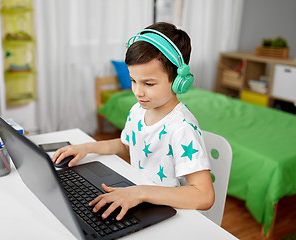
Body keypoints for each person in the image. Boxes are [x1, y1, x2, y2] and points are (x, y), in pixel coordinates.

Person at [52, 22, 214, 221]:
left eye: (149, 83)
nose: (138, 92)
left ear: (180, 81)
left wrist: (139, 192)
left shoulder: (181, 127)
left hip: (169, 212)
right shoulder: (138, 110)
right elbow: (127, 145)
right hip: (140, 199)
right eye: (133, 80)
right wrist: (87, 148)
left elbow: (204, 196)